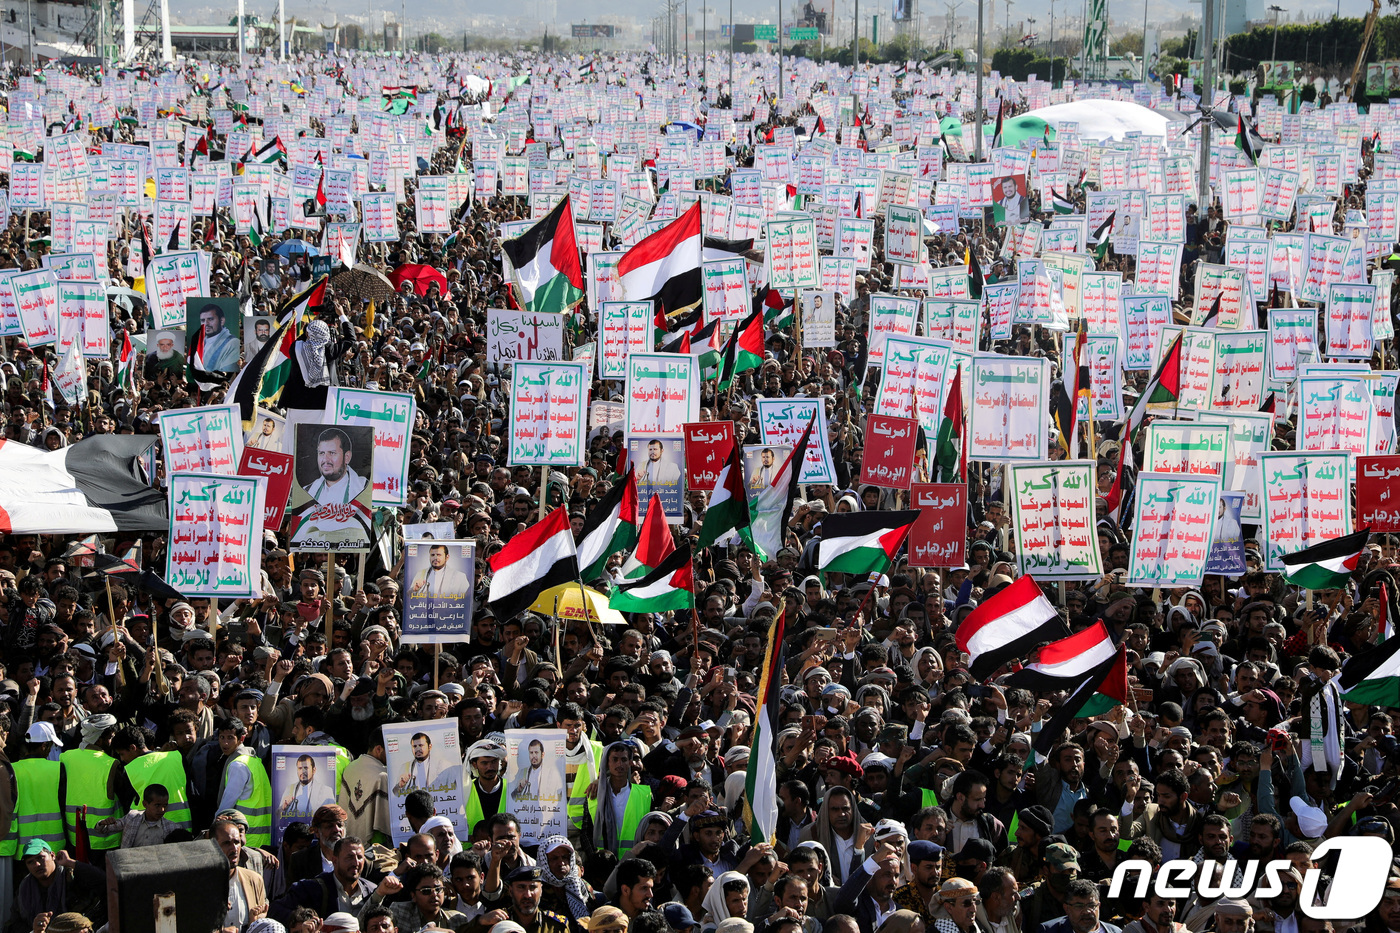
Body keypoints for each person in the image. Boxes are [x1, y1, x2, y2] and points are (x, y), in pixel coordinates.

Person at [279, 754, 334, 821]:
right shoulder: (289, 789)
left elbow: (332, 818)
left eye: (306, 768)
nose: (302, 772)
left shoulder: (326, 791)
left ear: (314, 770)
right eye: (300, 768)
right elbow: (277, 817)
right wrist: (282, 808)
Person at [195, 302, 240, 371]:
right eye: (203, 320)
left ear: (222, 321)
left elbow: (229, 372)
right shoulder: (200, 342)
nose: (206, 324)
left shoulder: (232, 343)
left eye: (210, 319)